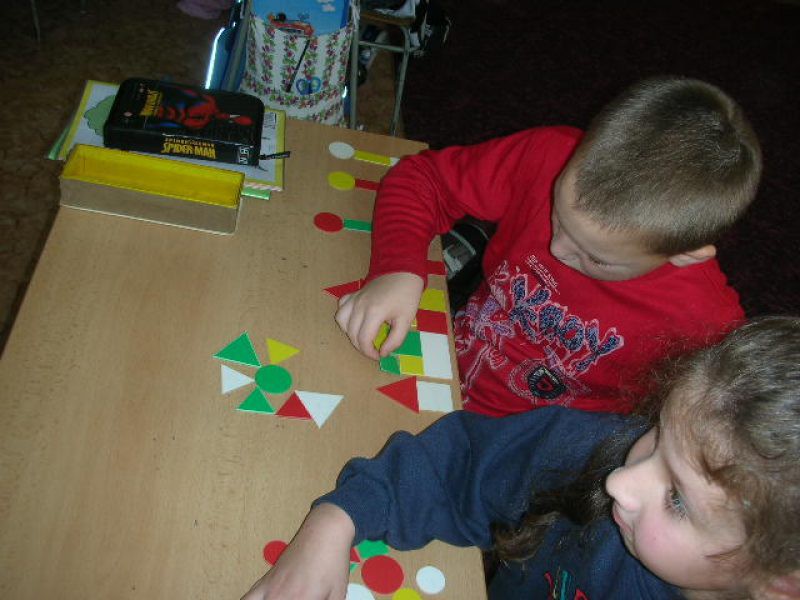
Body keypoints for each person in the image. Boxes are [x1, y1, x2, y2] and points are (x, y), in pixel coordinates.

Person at [240, 316, 800, 599]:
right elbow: (457, 462)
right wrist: (336, 520)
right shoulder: (593, 455)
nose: (622, 482)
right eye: (656, 434)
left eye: (677, 500)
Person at [335, 76, 763, 416]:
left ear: (685, 254)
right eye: (558, 216)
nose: (557, 250)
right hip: (447, 361)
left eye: (595, 258)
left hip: (529, 454)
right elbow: (423, 179)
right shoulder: (549, 153)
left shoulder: (707, 325)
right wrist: (398, 269)